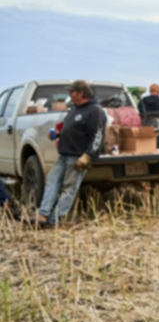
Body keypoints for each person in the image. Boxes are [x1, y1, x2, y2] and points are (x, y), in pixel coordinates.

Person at [33, 80, 107, 227]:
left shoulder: (95, 111)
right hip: (64, 154)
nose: (69, 94)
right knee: (51, 181)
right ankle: (42, 215)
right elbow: (70, 129)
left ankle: (55, 220)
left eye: (72, 91)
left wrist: (87, 156)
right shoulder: (74, 109)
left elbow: (97, 136)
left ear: (81, 93)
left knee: (69, 188)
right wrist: (57, 134)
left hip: (78, 156)